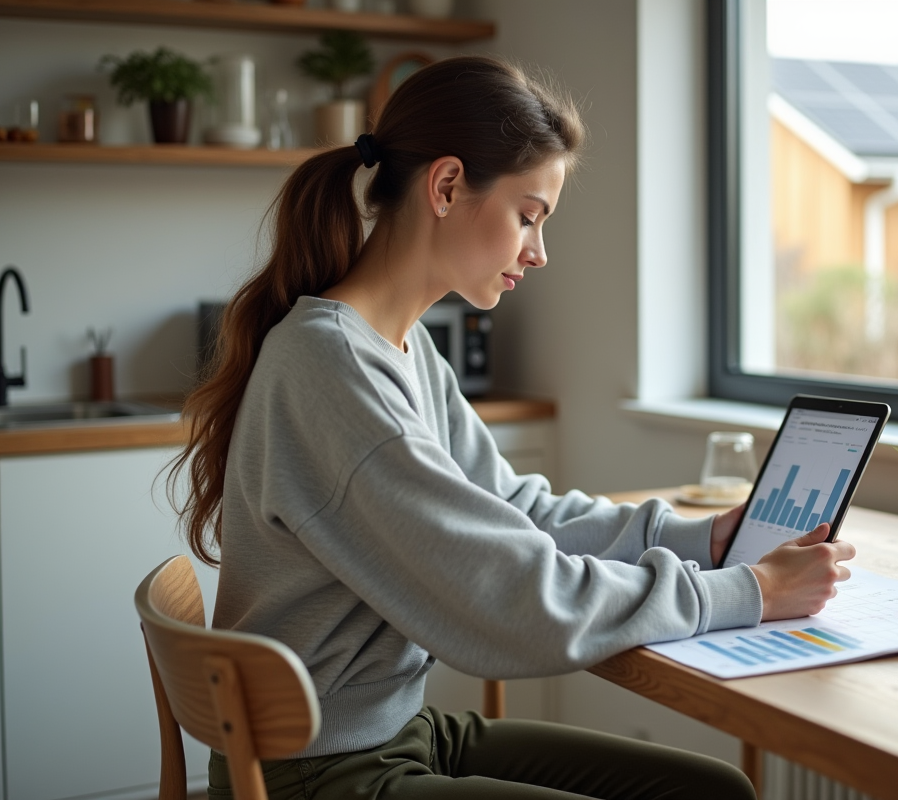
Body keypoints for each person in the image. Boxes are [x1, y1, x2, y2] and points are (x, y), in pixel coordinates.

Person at [171, 55, 855, 800]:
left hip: (394, 733)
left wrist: (699, 542)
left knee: (711, 790)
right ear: (445, 186)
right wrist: (742, 591)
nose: (538, 251)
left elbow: (515, 513)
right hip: (320, 774)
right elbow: (513, 598)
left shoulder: (398, 347)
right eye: (527, 216)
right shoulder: (331, 369)